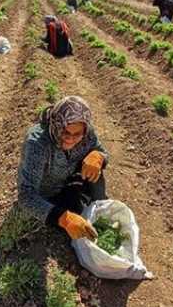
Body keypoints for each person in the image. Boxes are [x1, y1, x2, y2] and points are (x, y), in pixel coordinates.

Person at [17, 96, 109, 241]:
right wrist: (64, 219)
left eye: (77, 134)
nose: (70, 138)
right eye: (65, 132)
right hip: (48, 194)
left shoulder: (86, 132)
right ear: (56, 125)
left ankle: (100, 210)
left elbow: (101, 151)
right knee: (72, 229)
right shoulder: (37, 143)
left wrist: (99, 156)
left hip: (70, 179)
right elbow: (26, 195)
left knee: (95, 169)